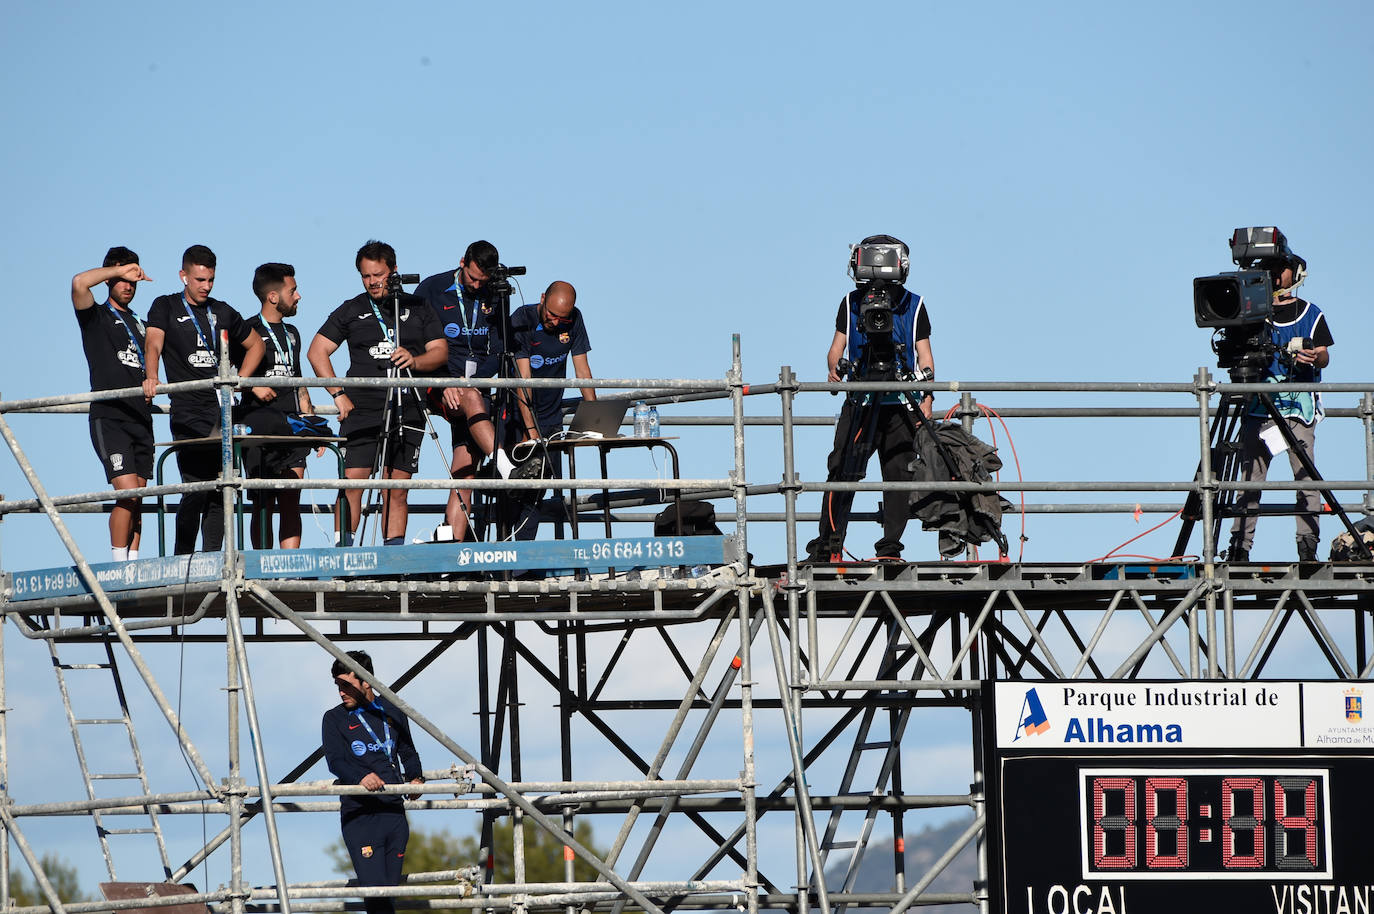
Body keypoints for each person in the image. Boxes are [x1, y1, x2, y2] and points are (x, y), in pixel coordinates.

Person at [805, 235, 933, 563]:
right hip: (860, 400)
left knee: (899, 475)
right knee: (841, 470)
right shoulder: (851, 302)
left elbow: (925, 358)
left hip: (901, 403)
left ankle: (890, 548)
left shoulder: (914, 304)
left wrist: (927, 397)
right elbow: (836, 348)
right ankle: (829, 545)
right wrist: (835, 367)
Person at [307, 241, 446, 546]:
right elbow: (317, 351)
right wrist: (337, 393)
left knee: (396, 489)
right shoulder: (352, 308)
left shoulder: (418, 306)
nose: (372, 282)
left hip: (408, 405)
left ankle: (392, 557)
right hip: (362, 408)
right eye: (365, 276)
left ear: (394, 271)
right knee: (352, 484)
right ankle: (344, 555)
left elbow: (440, 351)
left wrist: (415, 360)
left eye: (378, 275)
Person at [142, 245, 265, 554]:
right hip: (187, 412)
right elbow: (153, 343)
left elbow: (257, 345)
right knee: (195, 487)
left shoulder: (222, 311)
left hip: (221, 413)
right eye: (200, 280)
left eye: (210, 280)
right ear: (183, 276)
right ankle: (182, 558)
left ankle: (212, 559)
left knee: (220, 490)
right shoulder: (165, 306)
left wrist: (239, 382)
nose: (206, 286)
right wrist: (152, 375)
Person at [1227, 250, 1333, 563]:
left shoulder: (1311, 313)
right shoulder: (1254, 313)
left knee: (1306, 478)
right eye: (1268, 267)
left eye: (1280, 268)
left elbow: (1324, 355)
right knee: (1249, 479)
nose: (1274, 274)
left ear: (1295, 273)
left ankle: (1307, 545)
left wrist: (1313, 355)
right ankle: (1239, 547)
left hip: (1299, 407)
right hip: (1260, 406)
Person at [414, 241, 514, 542]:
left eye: (483, 281)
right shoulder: (432, 289)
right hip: (438, 383)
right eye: (472, 278)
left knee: (465, 472)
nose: (477, 285)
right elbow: (415, 343)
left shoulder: (494, 292)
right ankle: (506, 468)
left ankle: (452, 546)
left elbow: (501, 349)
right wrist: (444, 381)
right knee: (469, 395)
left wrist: (477, 379)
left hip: (475, 389)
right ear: (462, 262)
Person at [322, 650, 423, 914]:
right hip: (360, 815)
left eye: (346, 685)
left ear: (366, 681)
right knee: (376, 895)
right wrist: (360, 778)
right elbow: (335, 761)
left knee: (388, 896)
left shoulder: (393, 710)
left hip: (394, 813)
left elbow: (408, 752)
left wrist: (416, 777)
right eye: (337, 686)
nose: (341, 692)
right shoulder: (333, 718)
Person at [71, 247, 154, 561]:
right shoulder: (96, 316)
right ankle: (118, 570)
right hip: (110, 417)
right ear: (109, 278)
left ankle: (133, 568)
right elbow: (79, 283)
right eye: (122, 278)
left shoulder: (141, 324)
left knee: (139, 498)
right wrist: (119, 270)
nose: (128, 285)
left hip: (141, 418)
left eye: (133, 280)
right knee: (127, 494)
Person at [238, 263, 320, 549]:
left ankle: (289, 566)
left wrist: (312, 424)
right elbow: (231, 375)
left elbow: (298, 380)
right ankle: (263, 567)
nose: (298, 296)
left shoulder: (292, 332)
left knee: (291, 498)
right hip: (258, 427)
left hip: (292, 426)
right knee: (263, 502)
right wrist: (252, 385)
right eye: (292, 291)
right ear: (273, 296)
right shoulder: (246, 330)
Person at [508, 280, 596, 539]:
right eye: (551, 315)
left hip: (551, 416)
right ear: (542, 298)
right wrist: (531, 432)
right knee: (514, 488)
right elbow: (524, 382)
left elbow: (583, 371)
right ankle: (501, 554)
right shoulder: (522, 318)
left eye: (562, 318)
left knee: (540, 488)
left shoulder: (574, 319)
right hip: (517, 416)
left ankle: (523, 556)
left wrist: (596, 418)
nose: (556, 322)